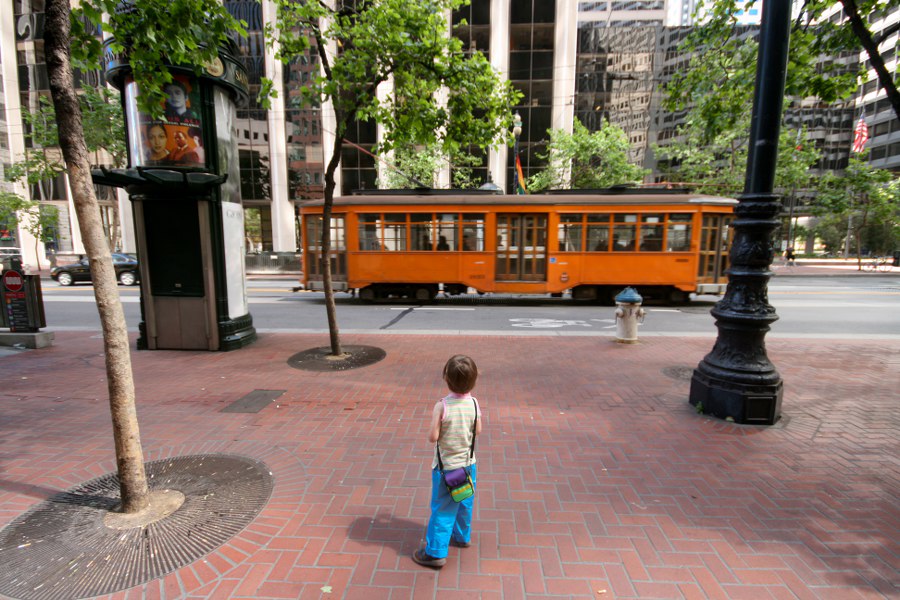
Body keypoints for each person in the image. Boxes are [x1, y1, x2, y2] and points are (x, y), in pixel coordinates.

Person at [413, 355, 483, 569]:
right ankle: (462, 537)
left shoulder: (442, 406)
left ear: (446, 378)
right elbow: (478, 430)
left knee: (443, 508)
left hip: (446, 469)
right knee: (464, 501)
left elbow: (433, 437)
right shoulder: (474, 403)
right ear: (474, 381)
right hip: (468, 464)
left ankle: (435, 553)